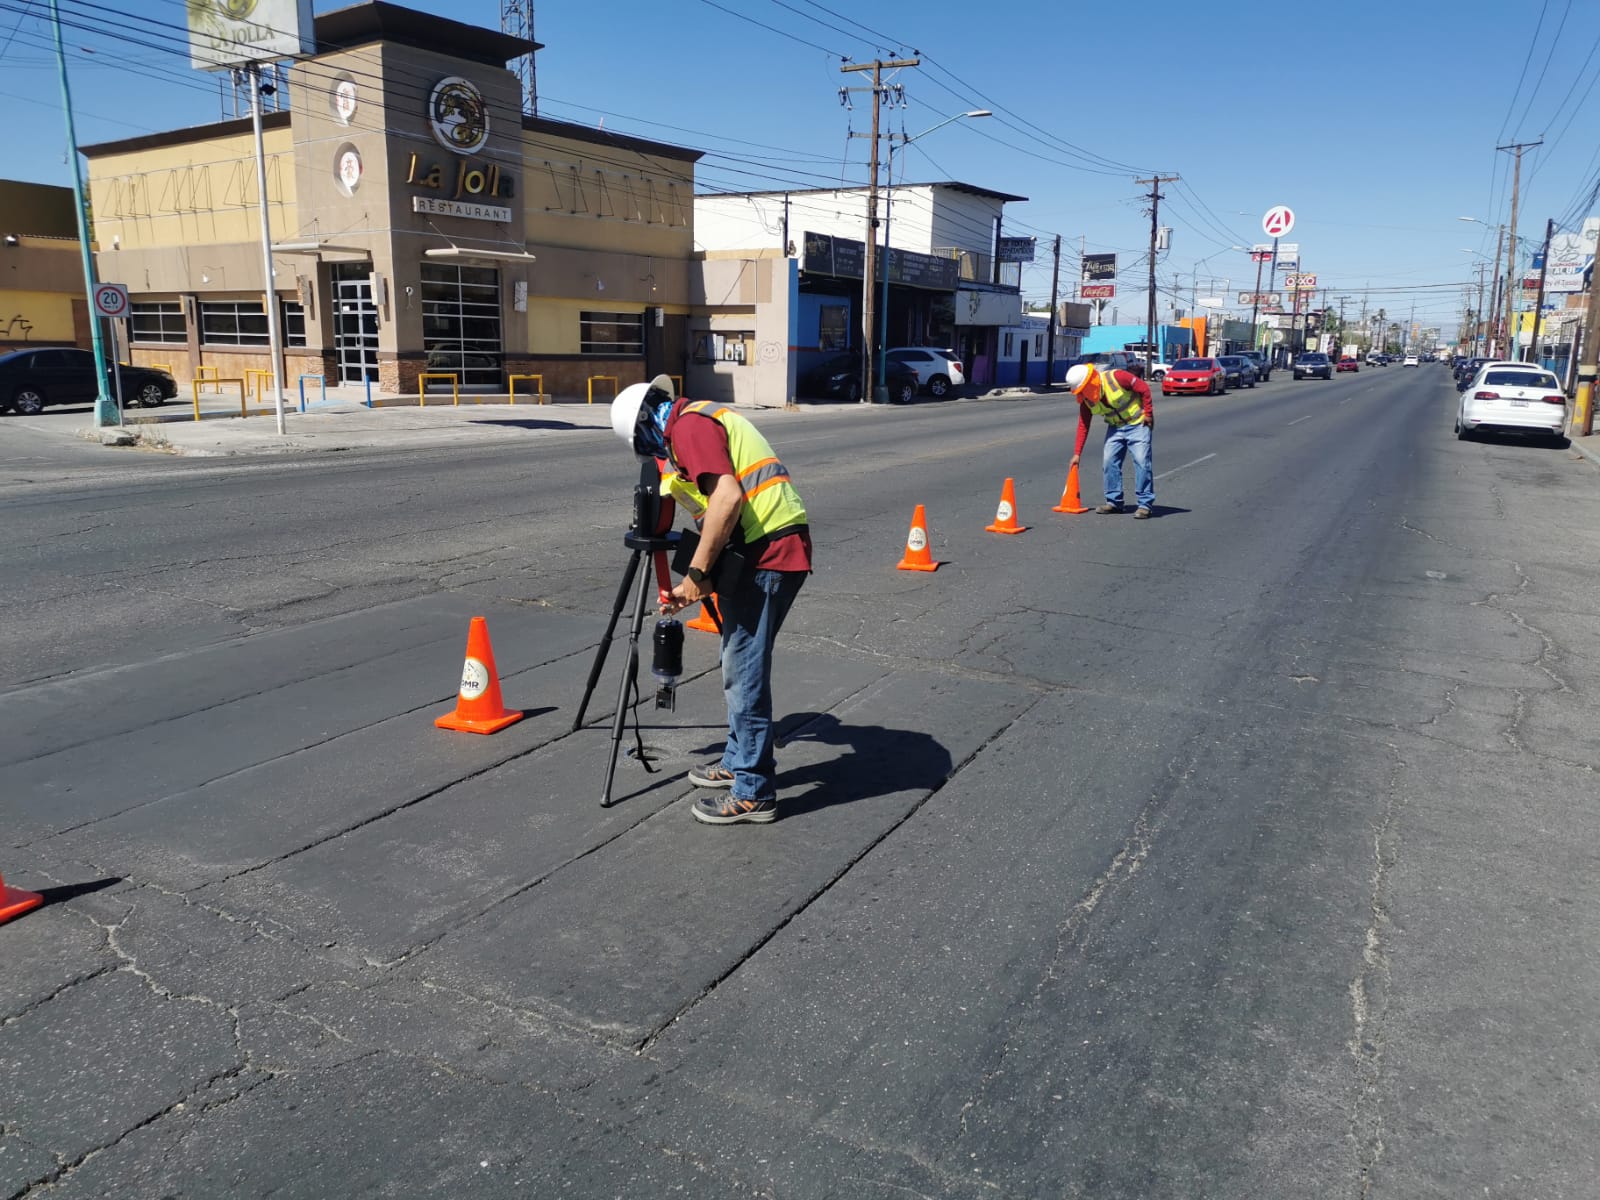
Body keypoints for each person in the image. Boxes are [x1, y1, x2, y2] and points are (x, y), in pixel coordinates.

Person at [610, 375, 811, 825]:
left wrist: (698, 574)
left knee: (745, 674)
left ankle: (754, 792)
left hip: (770, 554)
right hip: (762, 551)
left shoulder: (689, 426)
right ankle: (739, 761)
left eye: (644, 444)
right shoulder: (692, 428)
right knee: (737, 663)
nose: (651, 454)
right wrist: (697, 581)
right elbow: (711, 517)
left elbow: (727, 498)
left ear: (646, 424)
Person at [1064, 359, 1155, 519]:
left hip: (1138, 424)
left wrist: (1148, 413)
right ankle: (1114, 502)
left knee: (1142, 462)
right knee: (1109, 462)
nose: (1082, 394)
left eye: (1083, 390)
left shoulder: (1117, 377)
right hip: (1115, 428)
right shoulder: (1086, 400)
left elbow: (1144, 388)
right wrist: (1077, 453)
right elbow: (1083, 425)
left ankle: (1144, 505)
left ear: (1091, 383)